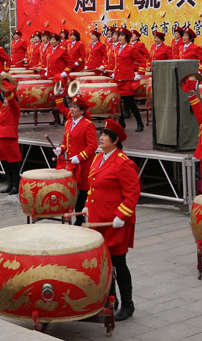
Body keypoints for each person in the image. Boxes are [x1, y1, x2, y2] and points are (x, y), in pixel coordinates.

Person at [87, 118, 140, 321]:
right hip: (98, 220)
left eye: (105, 135)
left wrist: (122, 215)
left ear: (115, 140)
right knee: (104, 262)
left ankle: (128, 304)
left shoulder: (123, 163)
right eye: (101, 134)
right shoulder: (98, 158)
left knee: (118, 262)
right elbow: (94, 186)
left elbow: (133, 193)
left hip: (115, 222)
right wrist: (87, 206)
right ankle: (111, 300)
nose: (101, 138)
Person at [53, 94, 96, 226]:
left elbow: (92, 146)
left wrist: (80, 156)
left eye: (75, 107)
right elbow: (67, 142)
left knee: (82, 192)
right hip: (72, 164)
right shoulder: (68, 123)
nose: (71, 109)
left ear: (82, 111)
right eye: (71, 106)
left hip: (83, 165)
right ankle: (73, 216)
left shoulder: (88, 125)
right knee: (73, 191)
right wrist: (61, 149)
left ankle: (80, 219)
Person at [0, 74, 22, 194]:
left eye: (6, 99)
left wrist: (8, 91)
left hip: (10, 138)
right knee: (4, 162)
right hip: (1, 137)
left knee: (13, 163)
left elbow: (12, 101)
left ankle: (15, 185)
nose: (5, 100)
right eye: (4, 99)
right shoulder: (3, 108)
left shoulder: (15, 110)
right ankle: (9, 184)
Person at [112, 28, 146, 132]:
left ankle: (139, 122)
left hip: (127, 80)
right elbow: (117, 62)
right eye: (119, 36)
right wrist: (114, 72)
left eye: (122, 36)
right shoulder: (117, 47)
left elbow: (142, 61)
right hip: (118, 79)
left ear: (127, 38)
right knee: (118, 103)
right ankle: (121, 123)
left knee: (130, 102)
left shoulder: (131, 49)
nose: (120, 38)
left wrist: (139, 73)